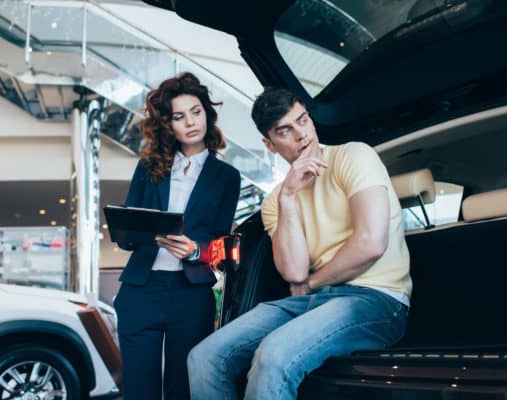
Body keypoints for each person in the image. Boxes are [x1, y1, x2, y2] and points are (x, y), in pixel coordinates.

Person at [187, 87, 411, 400]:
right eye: (285, 131)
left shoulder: (353, 156)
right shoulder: (276, 200)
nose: (302, 135)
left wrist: (313, 282)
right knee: (204, 358)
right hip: (313, 301)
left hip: (377, 297)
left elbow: (371, 243)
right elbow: (293, 272)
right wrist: (288, 196)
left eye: (303, 120)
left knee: (274, 356)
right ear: (269, 144)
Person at [114, 72, 241, 400]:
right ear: (167, 125)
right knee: (139, 390)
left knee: (183, 389)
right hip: (141, 289)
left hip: (190, 294)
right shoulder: (147, 168)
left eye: (196, 112)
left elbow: (223, 247)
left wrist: (195, 251)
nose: (190, 122)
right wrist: (145, 233)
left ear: (207, 114)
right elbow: (127, 236)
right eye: (179, 117)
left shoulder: (227, 177)